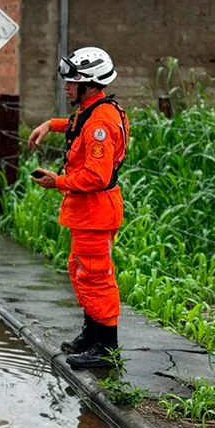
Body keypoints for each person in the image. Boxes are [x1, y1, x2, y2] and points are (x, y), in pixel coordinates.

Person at [28, 46, 129, 369]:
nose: (66, 86)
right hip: (89, 212)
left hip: (95, 211)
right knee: (83, 272)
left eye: (72, 81)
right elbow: (76, 123)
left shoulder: (101, 122)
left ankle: (106, 348)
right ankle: (92, 334)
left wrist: (57, 181)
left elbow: (97, 177)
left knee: (97, 277)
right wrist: (50, 124)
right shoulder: (93, 109)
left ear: (89, 83)